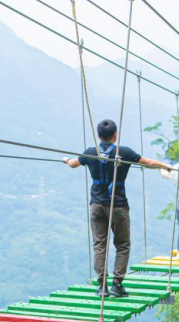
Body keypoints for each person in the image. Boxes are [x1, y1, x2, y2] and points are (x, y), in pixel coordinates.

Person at [62, 119, 172, 297]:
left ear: (98, 136)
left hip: (97, 205)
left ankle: (102, 286)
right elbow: (148, 163)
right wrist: (165, 166)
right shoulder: (125, 152)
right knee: (122, 245)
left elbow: (74, 164)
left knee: (100, 246)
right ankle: (117, 285)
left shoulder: (90, 153)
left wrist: (66, 160)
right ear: (115, 135)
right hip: (118, 205)